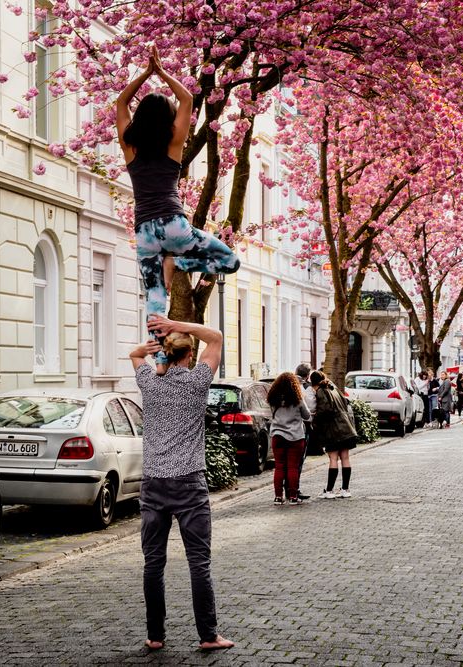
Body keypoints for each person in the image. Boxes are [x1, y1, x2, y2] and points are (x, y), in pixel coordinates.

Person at [118, 46, 240, 372]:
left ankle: (160, 361)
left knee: (155, 298)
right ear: (167, 119)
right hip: (174, 225)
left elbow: (119, 103)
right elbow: (187, 99)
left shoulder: (130, 145)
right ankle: (177, 260)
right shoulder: (173, 142)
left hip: (144, 230)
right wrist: (161, 73)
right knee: (228, 260)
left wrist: (144, 75)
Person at [129, 314, 234, 652]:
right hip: (189, 483)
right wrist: (178, 324)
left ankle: (155, 636)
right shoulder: (197, 382)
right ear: (189, 355)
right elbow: (216, 337)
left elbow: (134, 356)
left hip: (155, 483)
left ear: (165, 353)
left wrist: (151, 346)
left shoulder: (149, 382)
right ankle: (208, 635)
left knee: (153, 563)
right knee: (198, 563)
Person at [308, 371, 359, 499]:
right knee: (345, 458)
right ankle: (345, 489)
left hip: (333, 430)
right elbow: (346, 404)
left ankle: (329, 491)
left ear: (313, 383)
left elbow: (325, 410)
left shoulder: (321, 391)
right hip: (346, 427)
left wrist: (315, 419)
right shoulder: (333, 388)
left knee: (333, 458)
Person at [266, 372, 312, 506]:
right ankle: (293, 497)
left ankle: (278, 497)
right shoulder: (297, 398)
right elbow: (306, 415)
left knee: (279, 466)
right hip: (295, 436)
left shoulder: (273, 398)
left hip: (277, 435)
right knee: (292, 467)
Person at [293, 363, 316, 501]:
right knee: (298, 461)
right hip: (302, 428)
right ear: (307, 375)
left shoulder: (285, 385)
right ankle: (295, 489)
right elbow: (310, 409)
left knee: (284, 463)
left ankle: (283, 491)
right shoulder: (307, 389)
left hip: (280, 428)